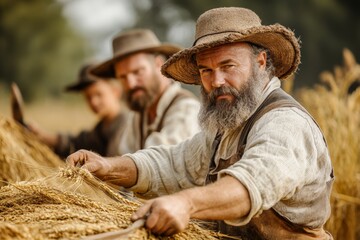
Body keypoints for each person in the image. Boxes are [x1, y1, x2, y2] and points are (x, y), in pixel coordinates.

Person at [67, 7, 334, 239]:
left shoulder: (285, 123)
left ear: (260, 62)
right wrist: (107, 166)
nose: (216, 82)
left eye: (228, 66)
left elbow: (250, 186)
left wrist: (186, 204)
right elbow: (173, 164)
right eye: (206, 70)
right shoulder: (228, 126)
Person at [90, 29, 200, 154]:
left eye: (137, 72)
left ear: (159, 64)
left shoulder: (186, 109)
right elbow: (123, 155)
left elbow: (162, 160)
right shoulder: (139, 115)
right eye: (123, 77)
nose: (131, 84)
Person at [28, 63, 127, 158]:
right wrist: (41, 135)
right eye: (88, 97)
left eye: (98, 94)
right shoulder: (100, 129)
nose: (93, 102)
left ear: (116, 91)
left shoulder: (127, 126)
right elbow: (78, 143)